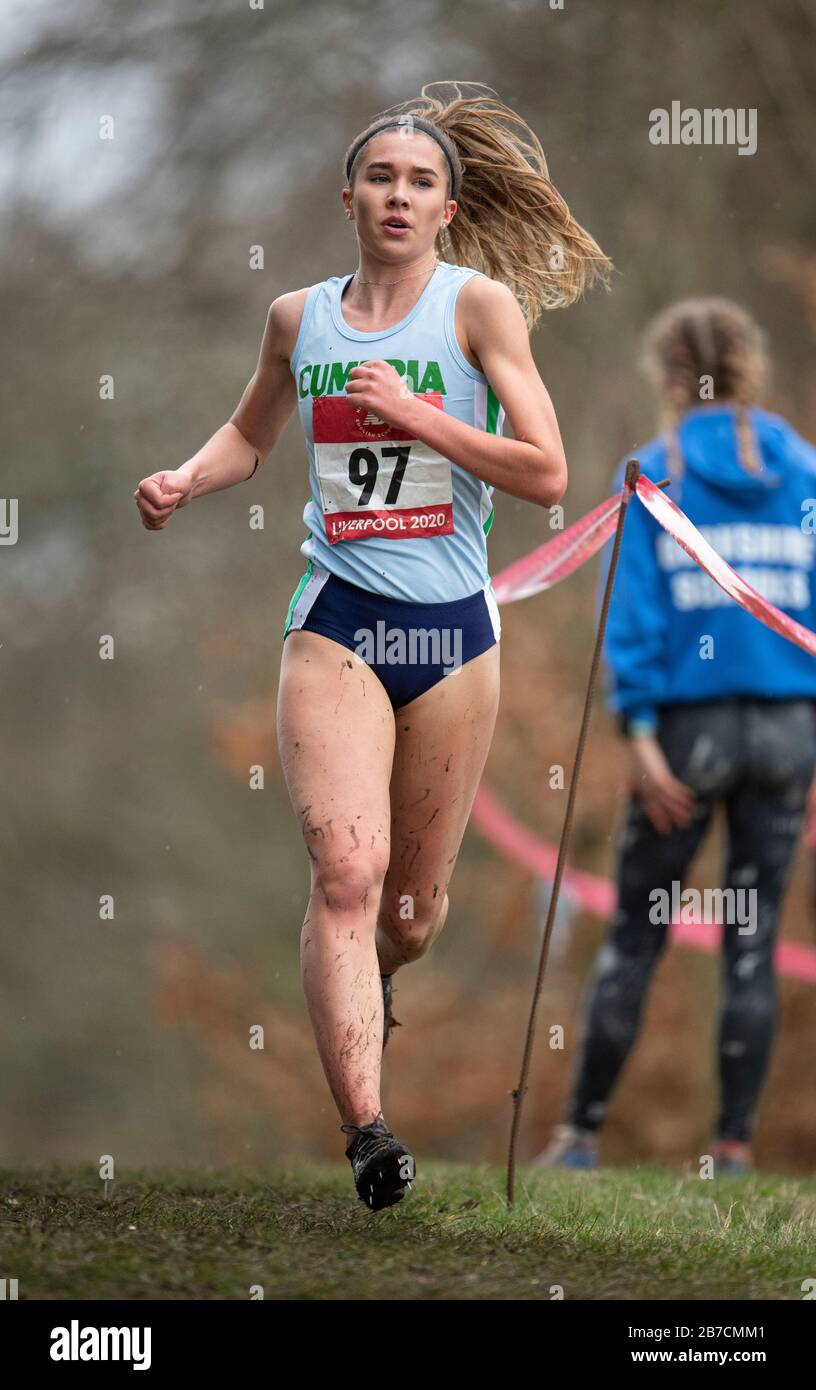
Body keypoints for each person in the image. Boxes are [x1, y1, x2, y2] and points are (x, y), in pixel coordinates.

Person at [133, 81, 610, 1210]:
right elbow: (254, 432)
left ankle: (375, 980)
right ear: (347, 195)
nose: (399, 196)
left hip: (452, 637)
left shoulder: (480, 310)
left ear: (448, 209)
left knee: (409, 914)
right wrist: (188, 478)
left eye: (422, 183)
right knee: (344, 873)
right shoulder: (299, 319)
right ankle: (369, 1134)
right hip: (335, 621)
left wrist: (424, 417)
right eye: (382, 178)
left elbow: (547, 474)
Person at [534, 298, 816, 1176]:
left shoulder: (656, 477)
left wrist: (641, 733)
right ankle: (731, 1147)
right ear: (752, 369)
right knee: (753, 941)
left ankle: (579, 1136)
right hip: (787, 732)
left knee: (634, 937)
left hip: (684, 738)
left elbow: (635, 618)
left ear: (664, 378)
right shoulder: (807, 472)